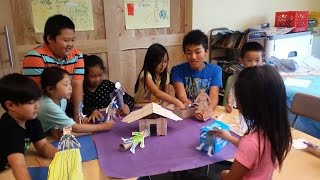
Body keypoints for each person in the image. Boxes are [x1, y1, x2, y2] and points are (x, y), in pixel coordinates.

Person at [215, 65, 292, 180]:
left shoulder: (250, 143)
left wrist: (223, 174)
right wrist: (228, 137)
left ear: (248, 105)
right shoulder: (279, 132)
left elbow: (231, 178)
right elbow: (256, 150)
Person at [22, 14, 84, 122]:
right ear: (50, 38)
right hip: (42, 113)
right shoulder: (35, 56)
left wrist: (78, 115)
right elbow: (37, 94)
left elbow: (77, 86)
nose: (70, 45)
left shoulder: (77, 55)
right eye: (65, 40)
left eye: (72, 40)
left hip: (64, 107)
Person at [0, 73, 58, 179]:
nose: (37, 106)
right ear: (11, 105)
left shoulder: (32, 120)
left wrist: (59, 155)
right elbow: (19, 166)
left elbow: (42, 146)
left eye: (37, 100)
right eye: (31, 102)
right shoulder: (9, 130)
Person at [37, 67, 115, 138]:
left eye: (70, 84)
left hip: (45, 133)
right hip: (31, 137)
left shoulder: (62, 100)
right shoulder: (48, 105)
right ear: (50, 89)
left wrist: (54, 129)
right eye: (65, 85)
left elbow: (59, 119)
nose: (70, 88)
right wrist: (103, 126)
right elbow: (75, 127)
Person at [170, 30, 222, 121]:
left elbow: (214, 96)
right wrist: (195, 109)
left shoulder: (216, 70)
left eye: (198, 52)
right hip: (185, 115)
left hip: (206, 115)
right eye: (189, 53)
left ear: (206, 52)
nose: (193, 57)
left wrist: (209, 109)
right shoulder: (177, 70)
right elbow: (182, 97)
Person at [83, 55, 134, 122]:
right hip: (92, 125)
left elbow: (128, 98)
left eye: (100, 75)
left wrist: (127, 106)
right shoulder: (81, 90)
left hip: (112, 121)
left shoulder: (107, 85)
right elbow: (76, 109)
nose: (97, 79)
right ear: (85, 75)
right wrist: (90, 111)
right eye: (93, 76)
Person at [134, 43, 185, 109]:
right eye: (159, 62)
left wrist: (163, 107)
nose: (163, 65)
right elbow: (156, 93)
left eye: (165, 61)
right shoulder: (145, 74)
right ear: (151, 61)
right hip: (140, 107)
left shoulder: (166, 75)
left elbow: (166, 97)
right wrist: (176, 101)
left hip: (155, 107)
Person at [224, 41, 264, 113]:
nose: (253, 64)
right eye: (249, 60)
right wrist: (230, 102)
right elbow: (231, 93)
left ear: (262, 61)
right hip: (240, 111)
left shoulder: (265, 78)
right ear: (241, 61)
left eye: (257, 60)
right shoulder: (237, 77)